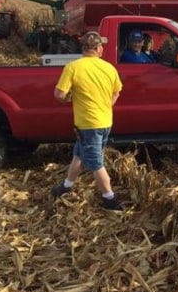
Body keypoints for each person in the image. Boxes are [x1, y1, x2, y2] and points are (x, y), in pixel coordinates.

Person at [51, 31, 124, 212]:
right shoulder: (109, 68)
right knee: (79, 154)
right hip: (105, 122)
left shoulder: (73, 67)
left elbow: (59, 94)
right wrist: (108, 104)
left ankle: (110, 199)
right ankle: (67, 186)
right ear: (98, 48)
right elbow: (117, 91)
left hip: (88, 124)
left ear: (83, 48)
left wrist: (69, 98)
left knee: (95, 163)